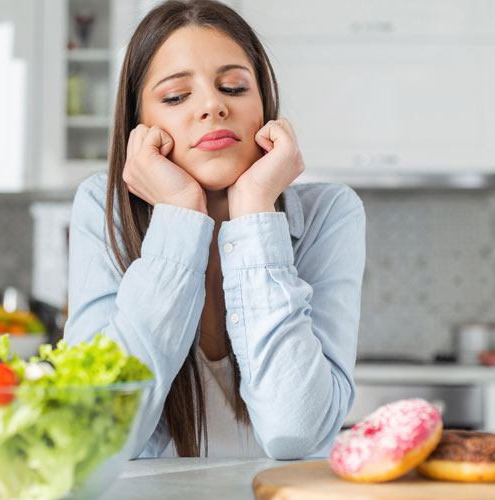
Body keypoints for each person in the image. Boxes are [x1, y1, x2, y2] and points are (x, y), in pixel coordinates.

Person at [64, 0, 365, 459]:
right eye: (175, 97)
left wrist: (255, 213)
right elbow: (94, 434)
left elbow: (297, 431)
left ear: (263, 106)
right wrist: (181, 215)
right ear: (140, 126)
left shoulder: (332, 213)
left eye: (233, 87)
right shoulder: (100, 208)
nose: (212, 105)